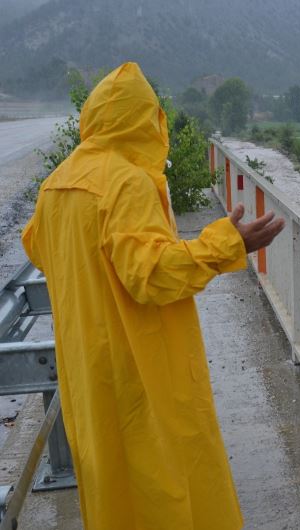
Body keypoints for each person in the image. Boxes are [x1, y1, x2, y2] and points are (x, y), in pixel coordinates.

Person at [21, 62, 284, 529]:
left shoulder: (55, 183)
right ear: (146, 120)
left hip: (87, 375)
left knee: (111, 495)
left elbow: (39, 248)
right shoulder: (128, 182)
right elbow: (152, 275)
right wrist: (227, 244)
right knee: (165, 490)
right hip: (138, 373)